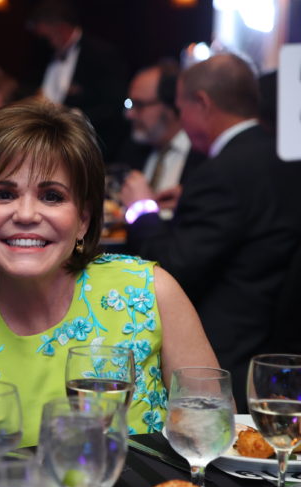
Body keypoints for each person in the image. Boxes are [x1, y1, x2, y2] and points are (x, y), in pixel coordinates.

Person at [0, 100, 218, 446]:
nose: (27, 214)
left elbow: (210, 437)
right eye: (4, 194)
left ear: (83, 220)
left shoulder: (150, 293)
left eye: (51, 196)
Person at [122, 53, 301, 407]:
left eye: (181, 107)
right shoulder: (284, 157)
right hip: (276, 340)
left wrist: (141, 208)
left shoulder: (222, 173)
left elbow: (170, 267)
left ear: (201, 103)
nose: (182, 120)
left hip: (226, 353)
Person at [26, 0, 127, 161]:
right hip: (45, 144)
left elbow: (113, 107)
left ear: (61, 28)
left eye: (47, 37)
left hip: (88, 148)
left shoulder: (101, 55)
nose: (44, 41)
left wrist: (69, 115)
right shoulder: (44, 53)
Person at [118, 61, 205, 216]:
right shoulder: (132, 151)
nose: (130, 114)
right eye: (130, 104)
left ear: (171, 106)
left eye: (139, 105)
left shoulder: (203, 155)